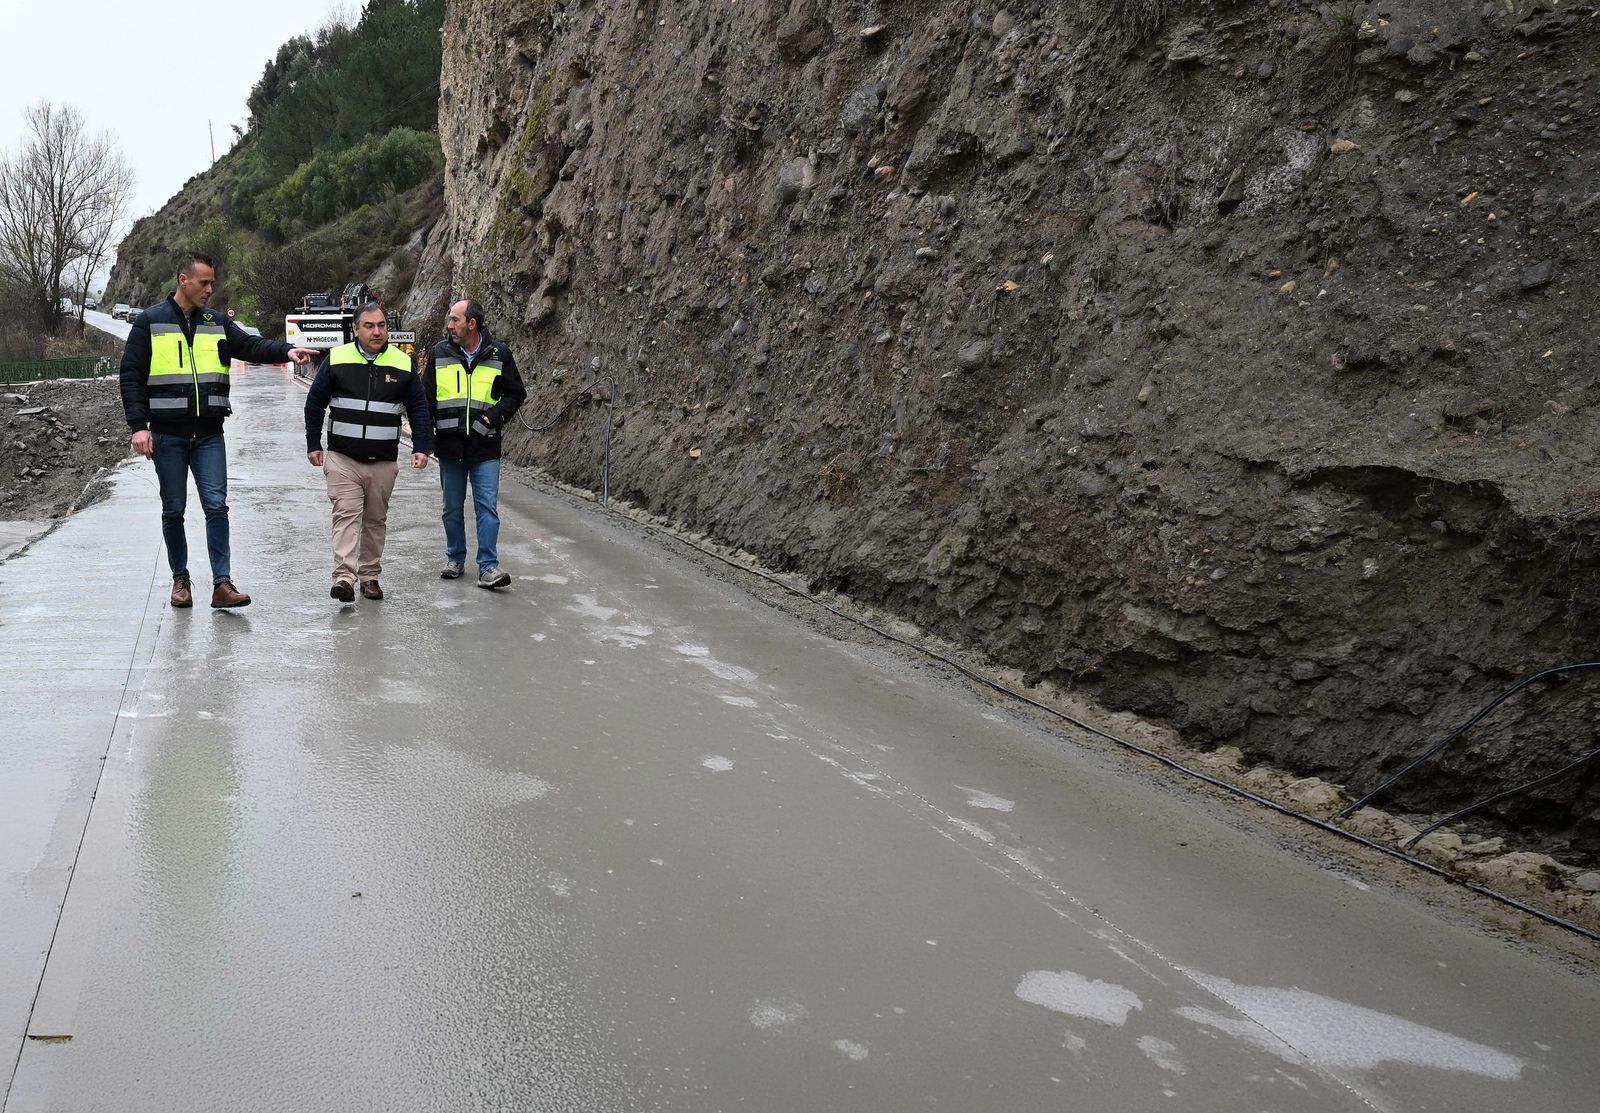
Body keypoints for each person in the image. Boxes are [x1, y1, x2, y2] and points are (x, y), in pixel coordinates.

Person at [119, 252, 318, 609]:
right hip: (167, 435)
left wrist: (288, 351)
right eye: (204, 282)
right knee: (173, 510)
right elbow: (131, 377)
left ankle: (222, 585)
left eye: (213, 282)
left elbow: (252, 346)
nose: (211, 289)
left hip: (209, 433)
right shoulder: (150, 321)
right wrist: (139, 427)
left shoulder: (215, 321)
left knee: (217, 507)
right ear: (183, 280)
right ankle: (181, 580)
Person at [305, 303, 433, 602]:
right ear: (355, 329)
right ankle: (344, 578)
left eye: (382, 325)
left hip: (383, 461)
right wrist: (313, 443)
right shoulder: (337, 359)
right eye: (369, 326)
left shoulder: (402, 363)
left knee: (375, 520)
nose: (377, 331)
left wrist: (422, 446)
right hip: (343, 458)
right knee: (346, 516)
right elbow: (315, 403)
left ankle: (370, 576)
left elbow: (418, 407)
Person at [424, 299, 527, 589]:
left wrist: (492, 419)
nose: (449, 325)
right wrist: (428, 439)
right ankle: (455, 558)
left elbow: (516, 393)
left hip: (485, 446)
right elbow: (425, 399)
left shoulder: (500, 353)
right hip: (450, 446)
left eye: (455, 320)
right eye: (449, 319)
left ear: (472, 323)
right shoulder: (439, 353)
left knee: (487, 507)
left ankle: (488, 568)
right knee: (452, 508)